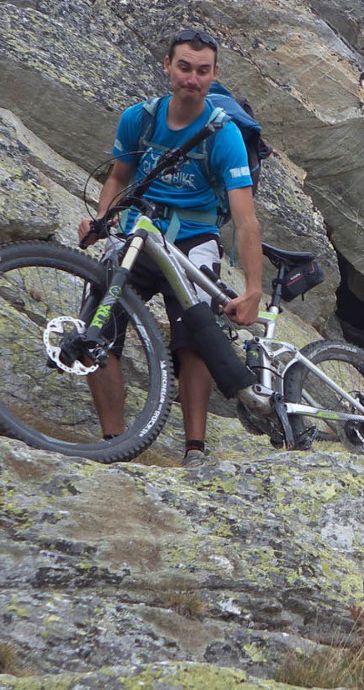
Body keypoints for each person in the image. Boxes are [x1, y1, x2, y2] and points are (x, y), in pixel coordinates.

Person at [78, 27, 265, 468]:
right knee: (97, 324)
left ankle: (194, 449)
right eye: (184, 67)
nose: (192, 79)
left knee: (194, 337)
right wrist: (102, 222)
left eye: (203, 71)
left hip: (194, 241)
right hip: (136, 233)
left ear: (214, 74)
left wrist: (254, 289)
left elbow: (245, 217)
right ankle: (114, 442)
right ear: (167, 66)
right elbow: (119, 177)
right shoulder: (139, 118)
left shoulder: (223, 135)